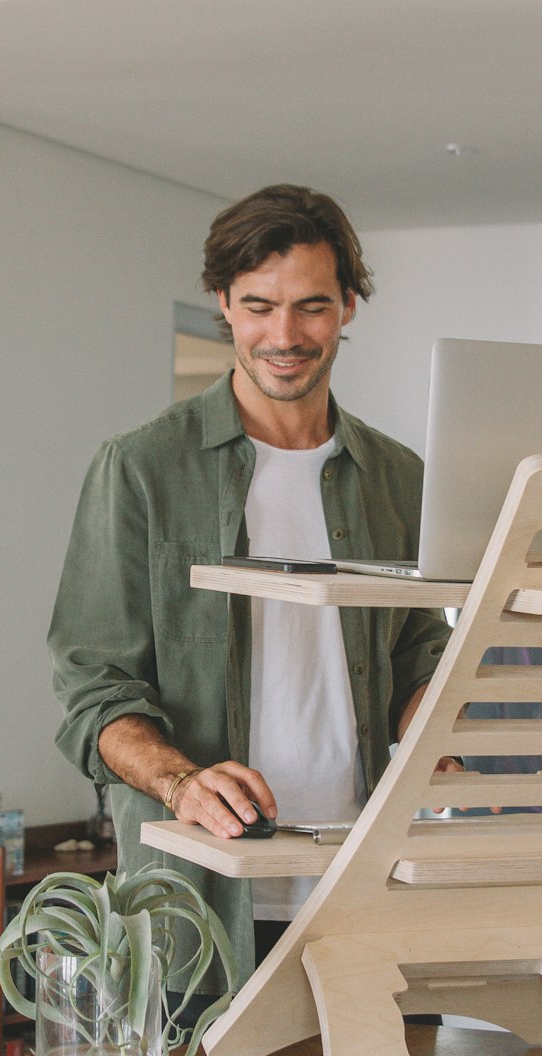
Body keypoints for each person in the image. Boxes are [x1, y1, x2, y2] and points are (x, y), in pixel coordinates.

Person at [48, 184, 452, 990]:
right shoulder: (139, 469)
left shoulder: (400, 477)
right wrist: (180, 780)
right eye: (259, 306)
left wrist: (446, 726)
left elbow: (420, 656)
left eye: (311, 307)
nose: (285, 335)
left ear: (347, 308)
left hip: (361, 890)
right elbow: (95, 687)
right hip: (193, 909)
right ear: (223, 306)